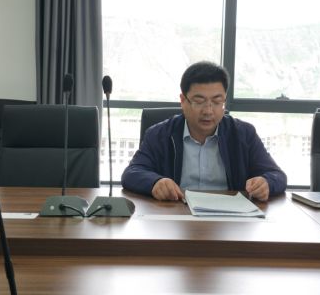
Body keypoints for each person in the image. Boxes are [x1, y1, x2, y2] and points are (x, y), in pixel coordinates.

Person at [121, 61, 287, 201]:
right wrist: (155, 182)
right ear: (183, 101)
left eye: (217, 101)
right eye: (199, 101)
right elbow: (131, 173)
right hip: (177, 214)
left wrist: (266, 183)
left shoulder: (243, 134)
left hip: (228, 217)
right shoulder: (160, 134)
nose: (208, 111)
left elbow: (277, 175)